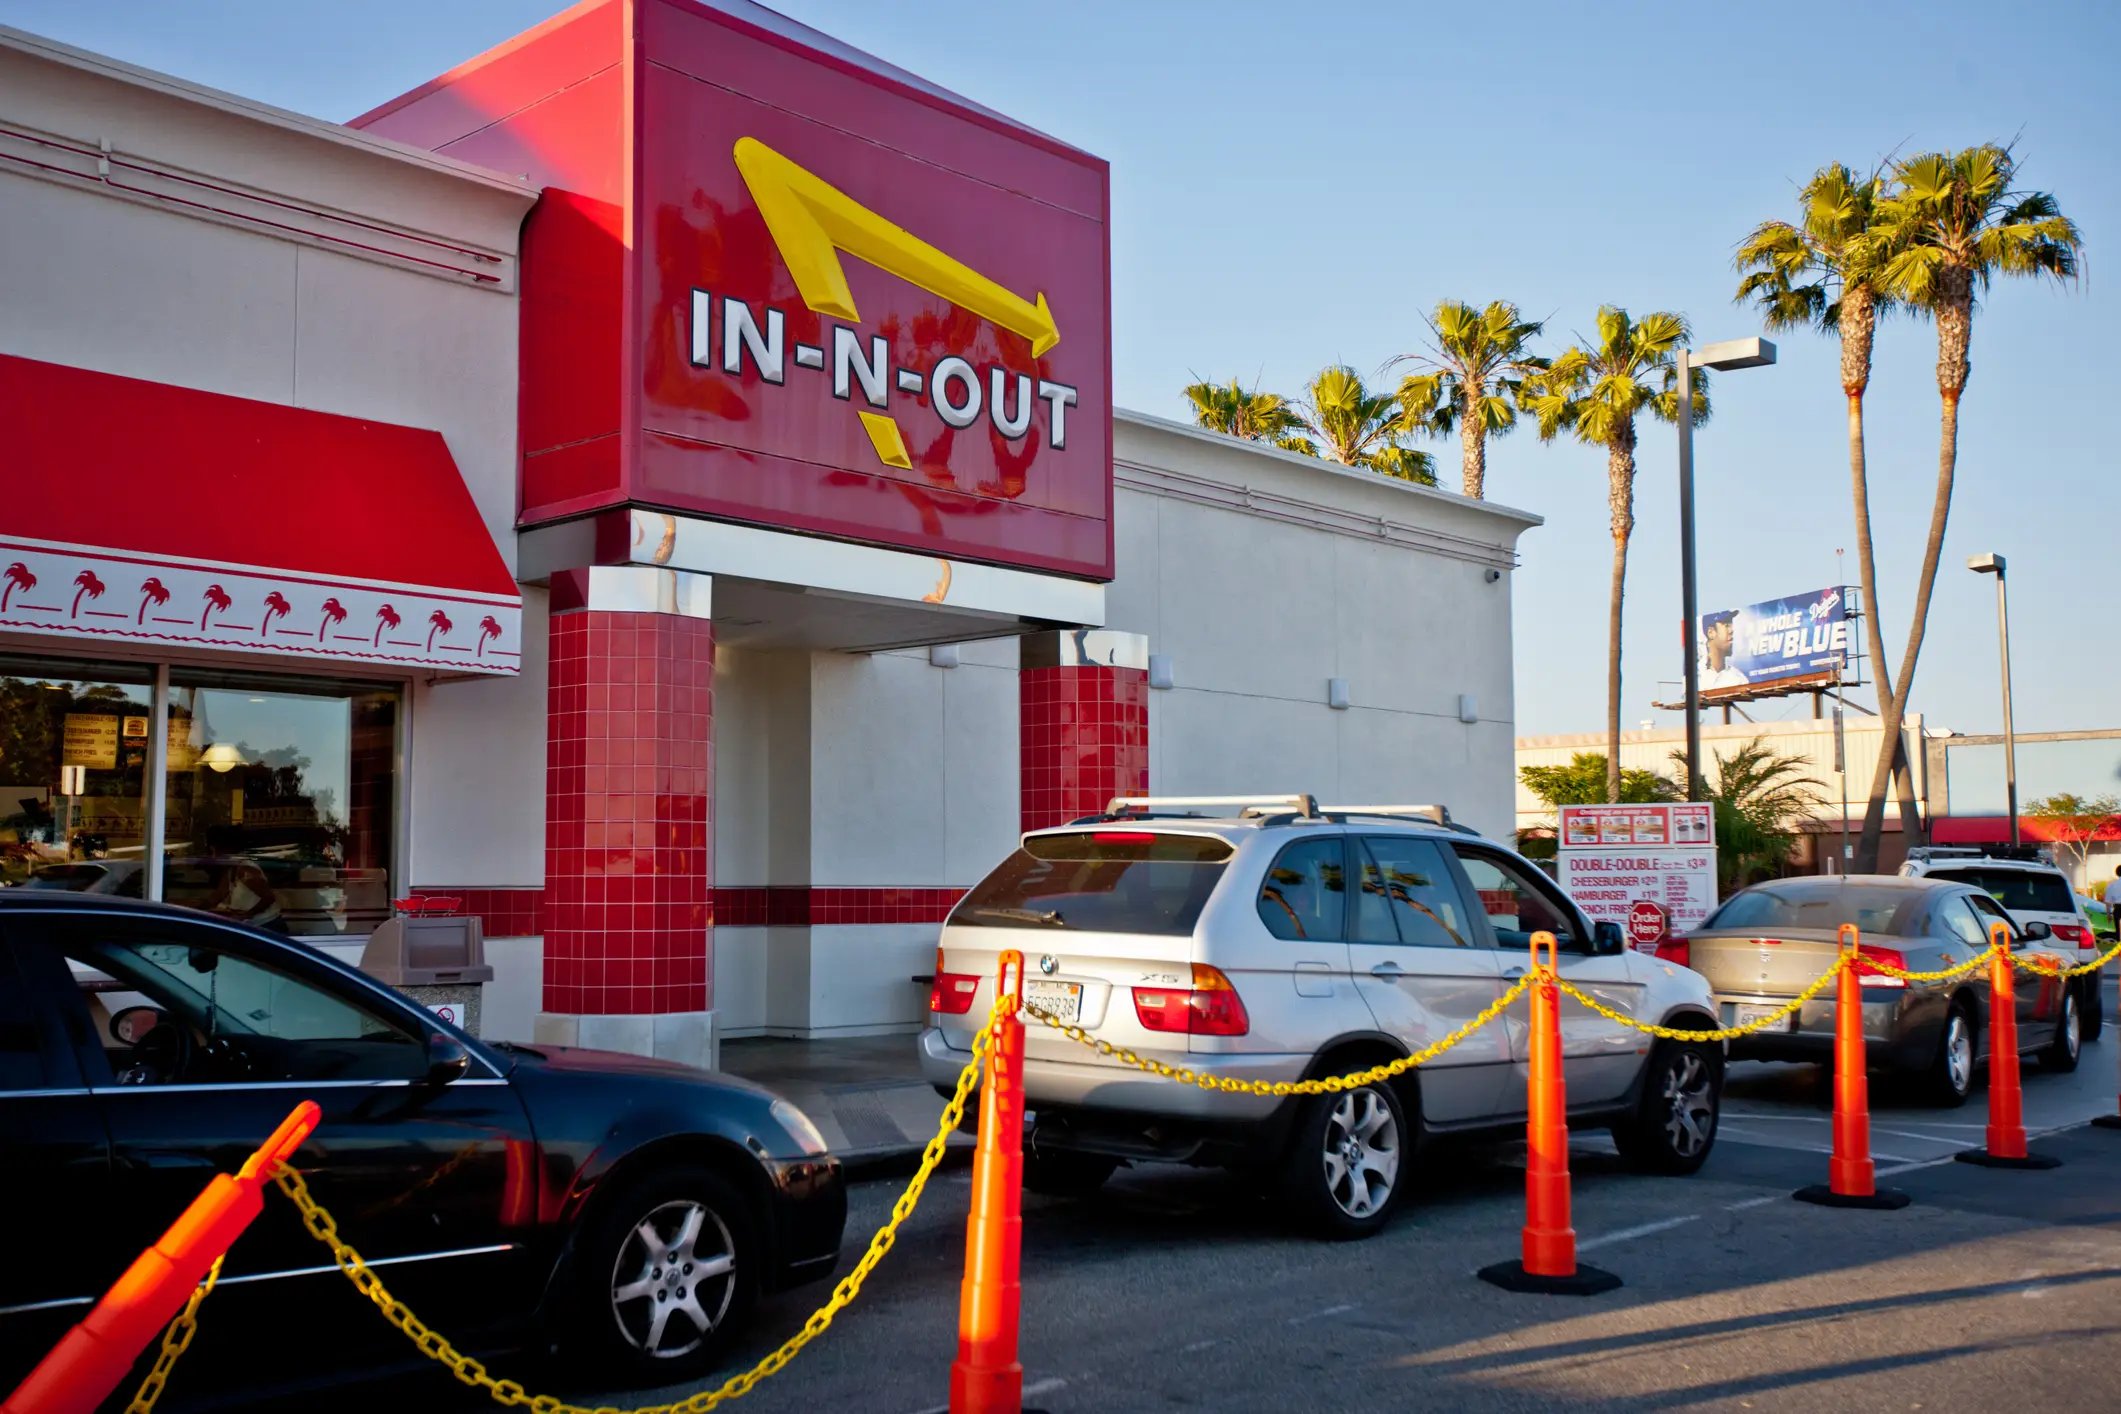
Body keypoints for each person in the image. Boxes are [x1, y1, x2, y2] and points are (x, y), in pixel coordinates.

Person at [1701, 609, 1749, 690]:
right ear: (1711, 632)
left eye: (1731, 624)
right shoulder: (1694, 675)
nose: (1731, 630)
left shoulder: (1739, 679)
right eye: (1726, 625)